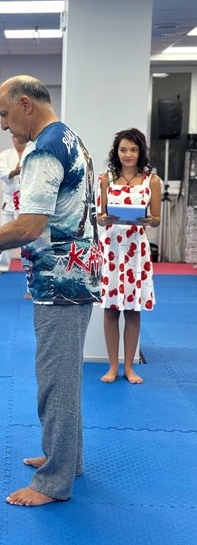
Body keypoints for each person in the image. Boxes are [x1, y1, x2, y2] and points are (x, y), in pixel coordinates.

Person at [0, 75, 101, 507]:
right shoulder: (71, 138)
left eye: (4, 114)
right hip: (78, 274)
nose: (3, 125)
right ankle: (66, 459)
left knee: (55, 380)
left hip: (59, 280)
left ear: (25, 104)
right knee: (66, 376)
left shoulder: (44, 151)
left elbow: (30, 225)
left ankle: (54, 482)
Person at [97, 128, 161, 384]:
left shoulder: (151, 181)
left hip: (136, 251)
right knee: (111, 309)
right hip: (112, 248)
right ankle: (112, 366)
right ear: (117, 152)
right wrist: (104, 218)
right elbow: (99, 217)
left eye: (133, 150)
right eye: (123, 149)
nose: (128, 154)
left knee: (133, 310)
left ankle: (129, 367)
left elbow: (157, 219)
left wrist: (149, 219)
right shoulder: (106, 179)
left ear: (140, 152)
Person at [0, 136, 28, 274]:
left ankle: (29, 264)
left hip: (27, 199)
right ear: (12, 139)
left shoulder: (32, 152)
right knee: (5, 232)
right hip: (9, 198)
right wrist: (14, 172)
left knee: (27, 233)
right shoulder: (5, 155)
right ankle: (1, 265)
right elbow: (2, 173)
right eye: (14, 137)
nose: (17, 139)